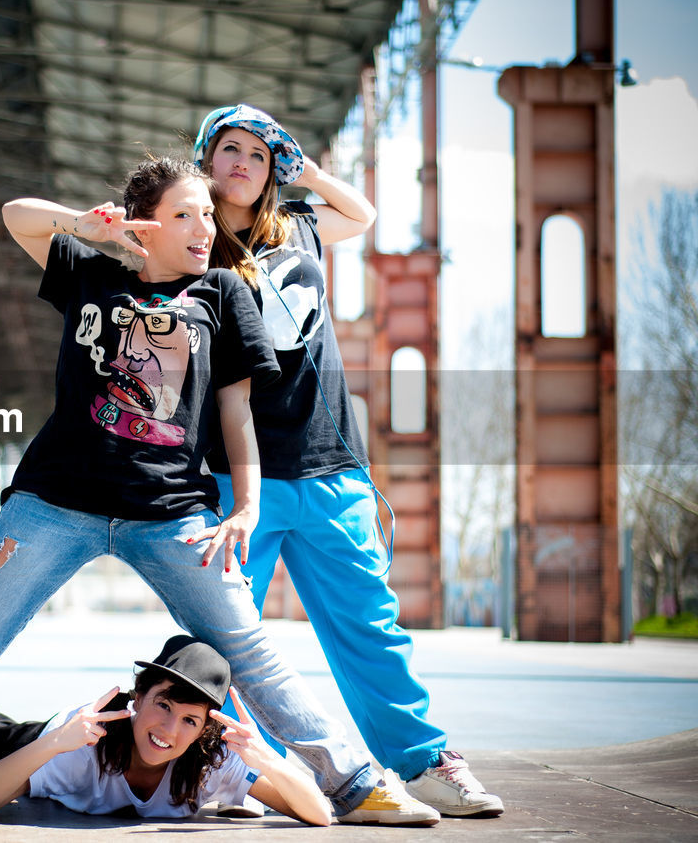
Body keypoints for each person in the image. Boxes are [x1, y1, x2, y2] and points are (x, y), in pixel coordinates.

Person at [0, 155, 437, 825]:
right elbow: (16, 217)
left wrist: (248, 507)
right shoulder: (92, 274)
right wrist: (85, 226)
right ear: (146, 227)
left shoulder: (225, 294)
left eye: (207, 212)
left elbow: (235, 413)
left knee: (252, 653)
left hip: (172, 515)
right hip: (56, 504)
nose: (206, 227)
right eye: (186, 215)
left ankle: (355, 785)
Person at [193, 103, 505, 817]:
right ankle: (227, 771)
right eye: (229, 148)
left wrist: (307, 169)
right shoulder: (192, 238)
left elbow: (359, 214)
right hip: (231, 475)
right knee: (221, 636)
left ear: (276, 168)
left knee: (371, 628)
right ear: (207, 159)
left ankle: (423, 763)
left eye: (259, 154)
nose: (243, 162)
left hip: (331, 467)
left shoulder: (300, 224)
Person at [0, 635, 332, 826]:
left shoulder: (215, 762)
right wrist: (54, 743)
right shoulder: (83, 742)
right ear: (138, 697)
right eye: (163, 705)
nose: (169, 729)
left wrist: (269, 763)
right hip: (53, 738)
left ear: (202, 732)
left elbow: (319, 815)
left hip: (64, 745)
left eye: (189, 720)